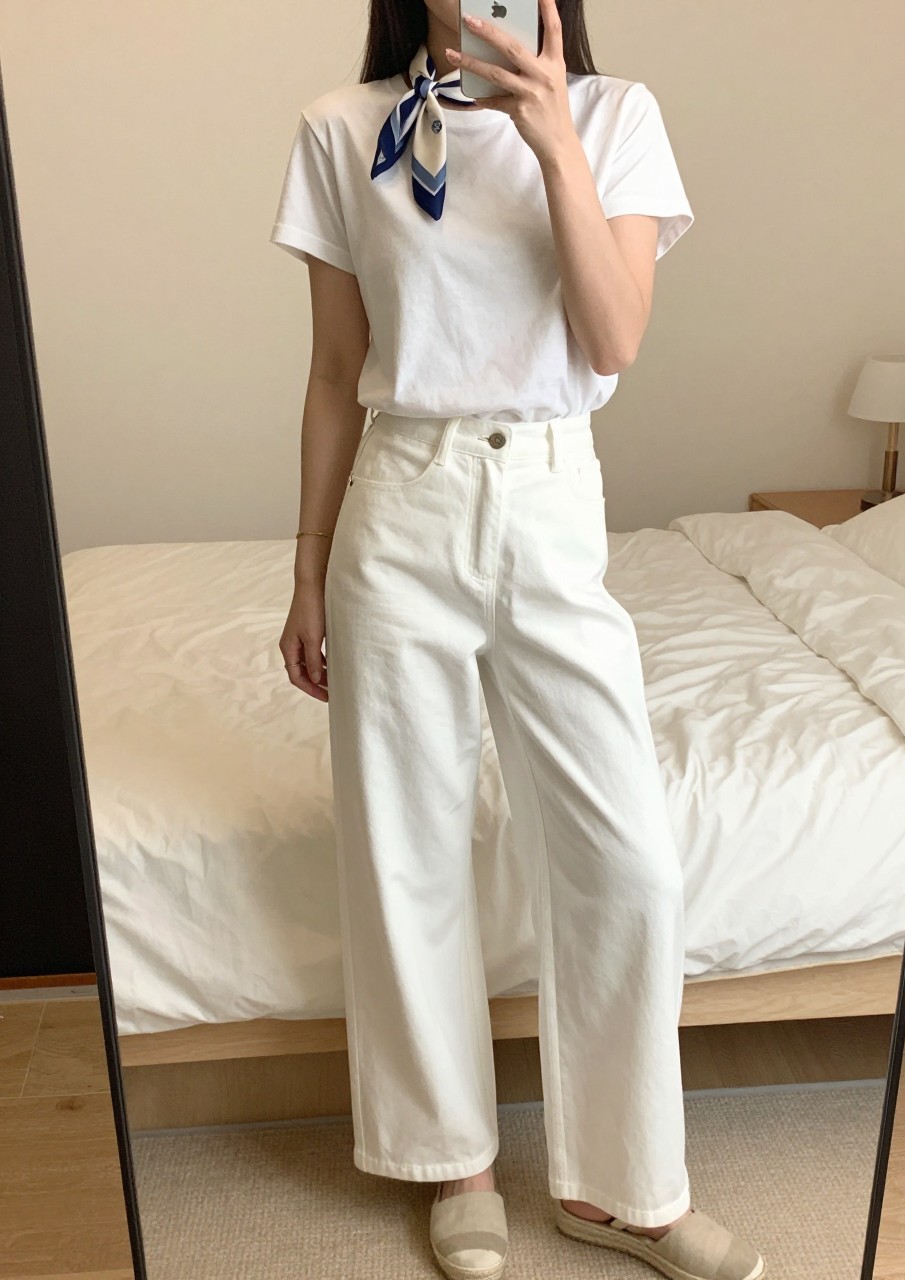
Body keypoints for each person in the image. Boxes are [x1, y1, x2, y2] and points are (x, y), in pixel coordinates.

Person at [271, 2, 764, 1278]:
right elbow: (336, 367)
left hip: (551, 501)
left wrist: (552, 137)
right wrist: (308, 567)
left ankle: (623, 1188)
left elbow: (616, 338)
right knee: (407, 848)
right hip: (403, 498)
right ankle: (457, 1165)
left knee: (628, 858)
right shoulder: (345, 129)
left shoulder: (616, 116)